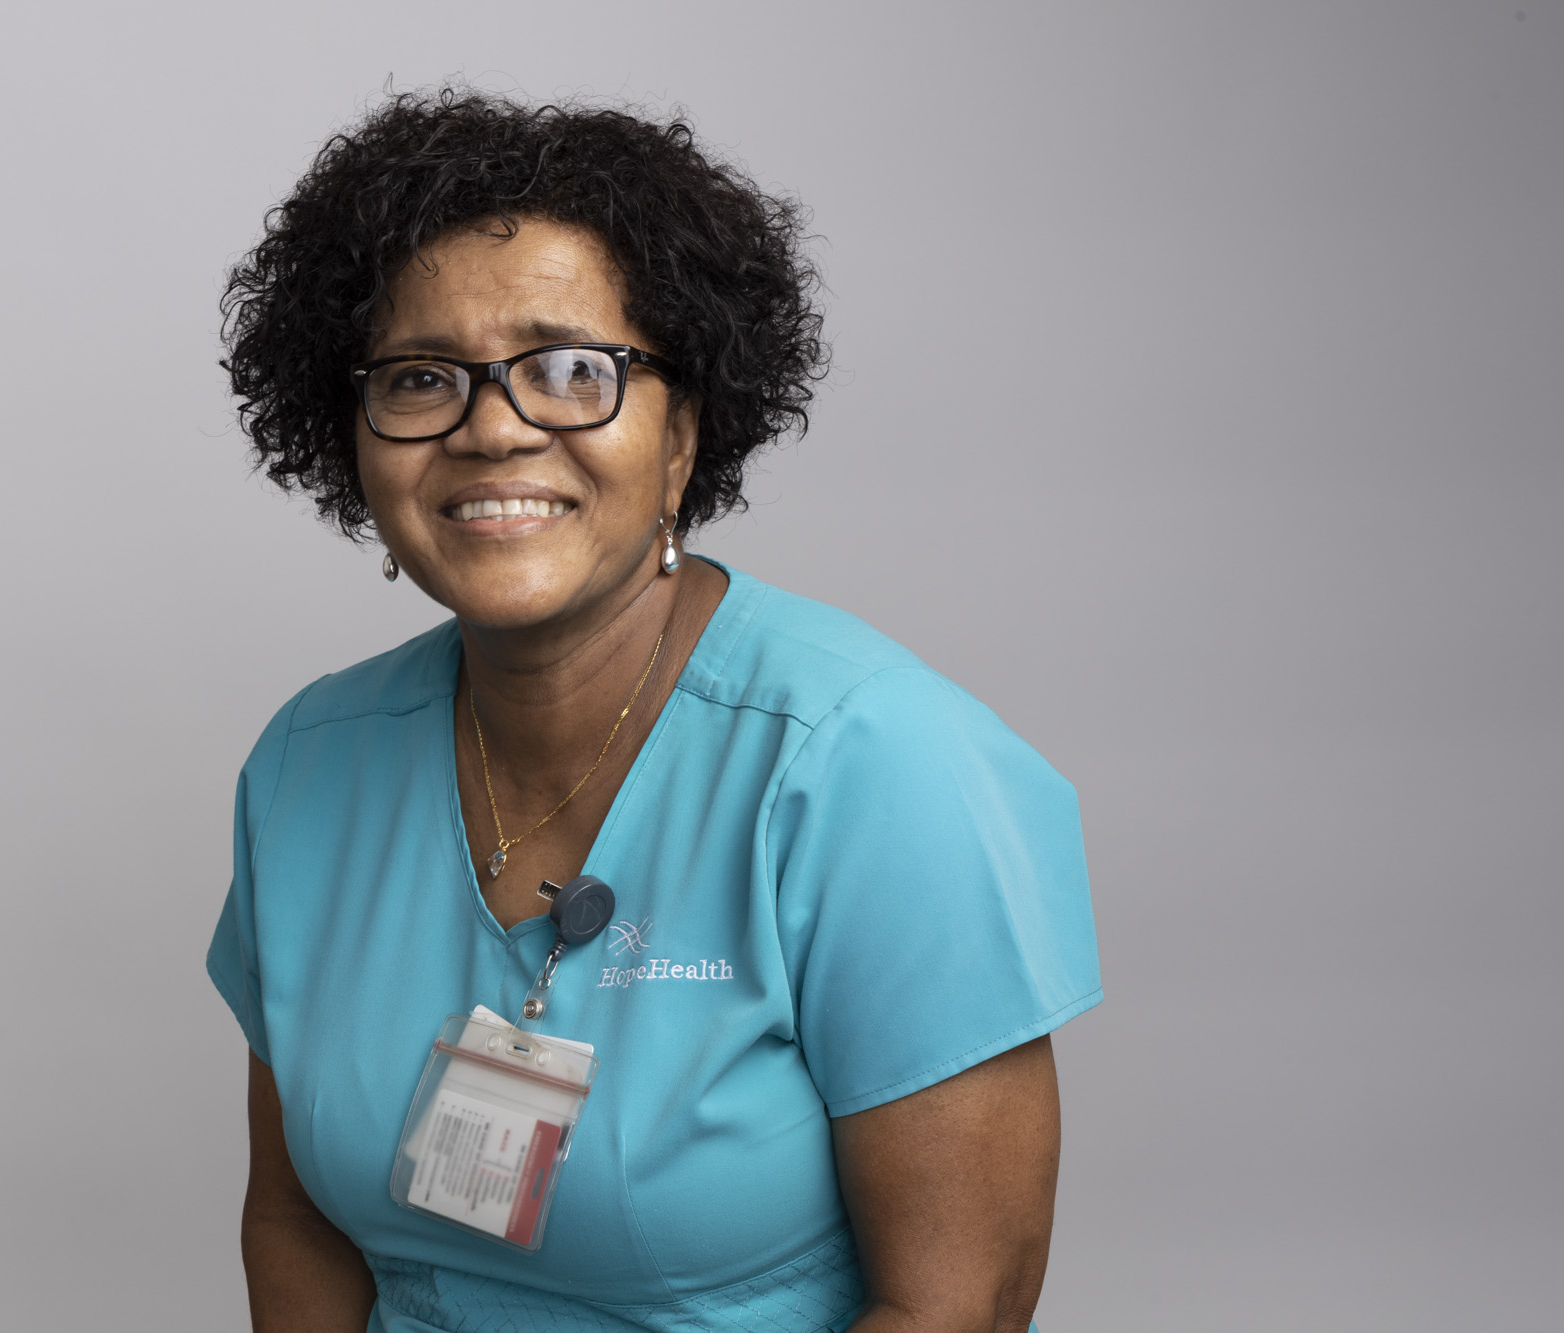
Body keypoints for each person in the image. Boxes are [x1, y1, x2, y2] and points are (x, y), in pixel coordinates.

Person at [206, 89, 1101, 1333]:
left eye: (572, 369)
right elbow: (294, 1215)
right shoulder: (307, 770)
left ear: (684, 430)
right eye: (422, 378)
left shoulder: (876, 765)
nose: (491, 428)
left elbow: (961, 1302)